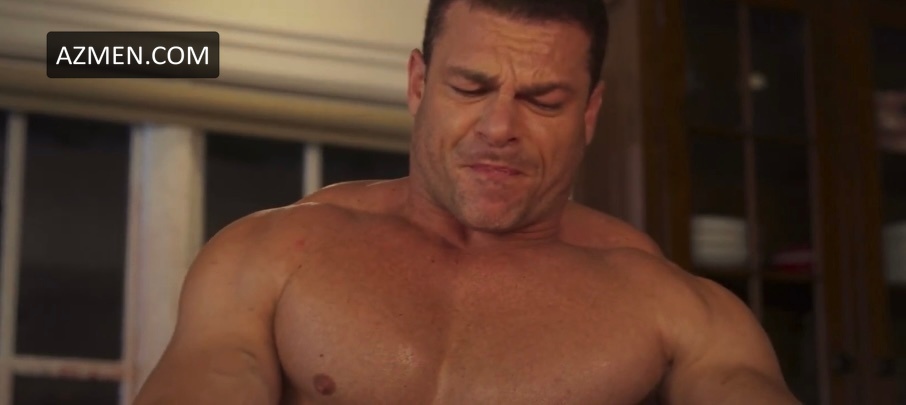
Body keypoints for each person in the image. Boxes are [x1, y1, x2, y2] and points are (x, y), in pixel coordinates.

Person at [133, 0, 802, 403]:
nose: (499, 127)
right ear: (418, 84)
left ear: (590, 113)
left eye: (543, 100)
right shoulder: (269, 258)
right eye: (471, 88)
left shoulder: (672, 311)